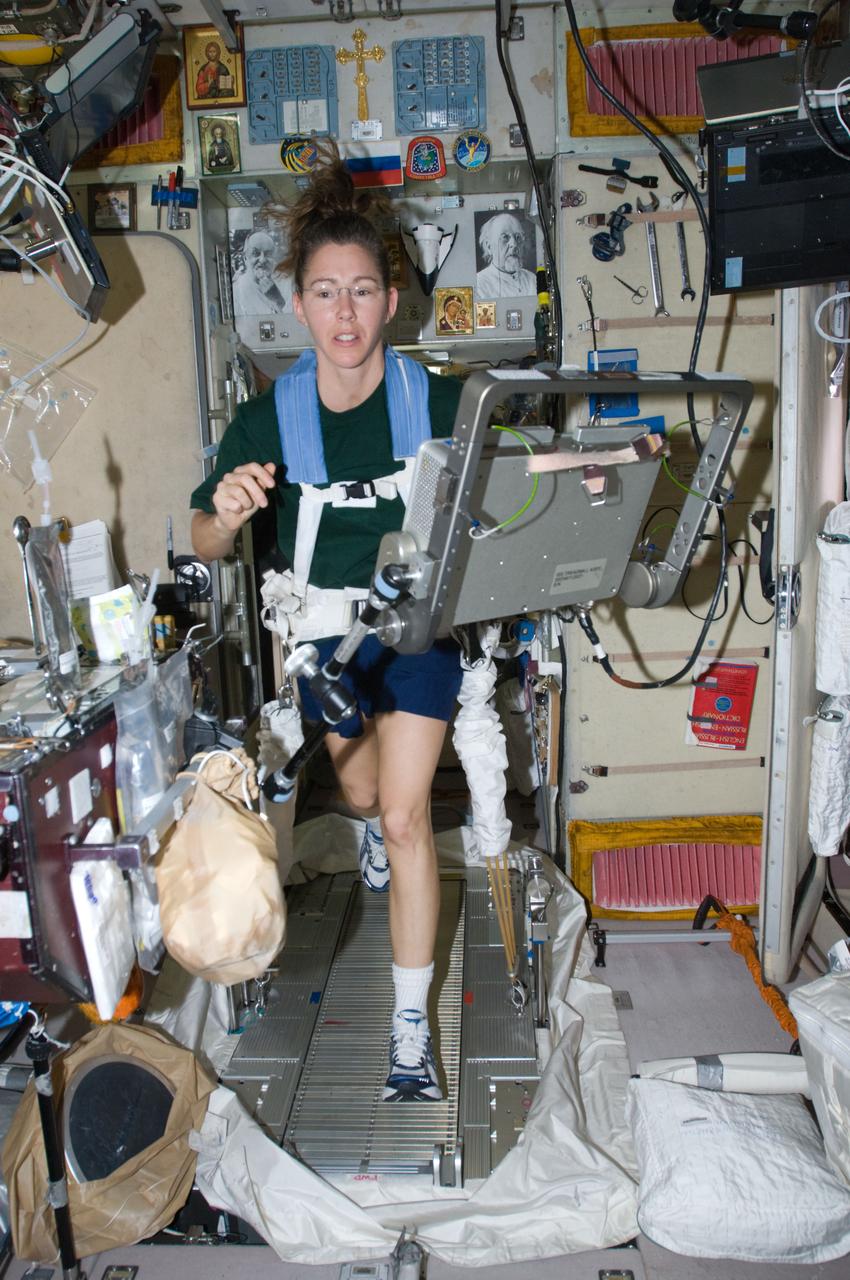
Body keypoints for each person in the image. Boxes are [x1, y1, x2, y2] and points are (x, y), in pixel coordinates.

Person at [190, 140, 464, 1103]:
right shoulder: (269, 418)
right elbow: (203, 535)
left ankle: (408, 1034)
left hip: (417, 628)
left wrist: (591, 470)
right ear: (300, 306)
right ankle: (369, 830)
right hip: (325, 641)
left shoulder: (438, 399)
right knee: (359, 793)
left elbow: (525, 463)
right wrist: (225, 515)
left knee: (406, 815)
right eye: (325, 293)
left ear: (390, 300)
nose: (345, 313)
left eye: (362, 291)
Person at [475, 211, 537, 298]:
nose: (514, 244)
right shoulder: (479, 284)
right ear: (489, 247)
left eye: (518, 237)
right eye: (505, 237)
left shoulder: (532, 279)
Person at [231, 230, 287, 316]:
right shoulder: (237, 291)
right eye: (256, 253)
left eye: (268, 254)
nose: (262, 260)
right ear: (245, 258)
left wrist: (278, 299)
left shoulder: (283, 284)